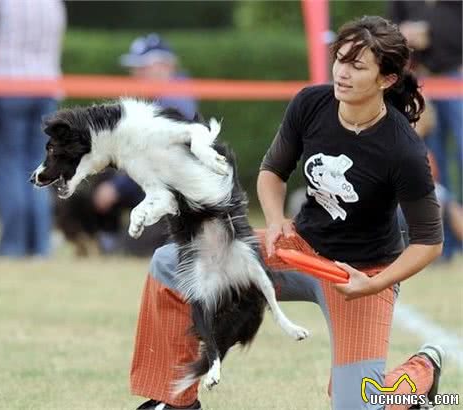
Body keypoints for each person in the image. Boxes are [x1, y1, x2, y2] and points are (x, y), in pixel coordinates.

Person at [129, 16, 445, 410]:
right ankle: (174, 401)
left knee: (357, 404)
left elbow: (429, 242)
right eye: (340, 60)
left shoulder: (403, 149)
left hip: (361, 273)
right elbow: (272, 173)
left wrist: (374, 285)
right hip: (298, 248)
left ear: (386, 79)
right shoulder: (312, 103)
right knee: (170, 263)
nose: (342, 73)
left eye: (357, 66)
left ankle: (417, 374)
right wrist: (277, 220)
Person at [0, 0, 66, 258]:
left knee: (8, 167)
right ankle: (40, 246)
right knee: (41, 166)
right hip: (46, 89)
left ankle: (13, 246)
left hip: (8, 88)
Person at [90, 34, 198, 256]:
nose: (135, 74)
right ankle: (109, 238)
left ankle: (113, 240)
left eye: (142, 67)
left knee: (134, 251)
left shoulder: (174, 102)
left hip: (173, 198)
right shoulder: (161, 97)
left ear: (163, 66)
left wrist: (117, 187)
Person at [387, 0, 463, 260]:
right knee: (433, 164)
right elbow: (389, 30)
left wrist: (431, 32)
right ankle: (445, 249)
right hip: (422, 78)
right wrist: (404, 35)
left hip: (457, 76)